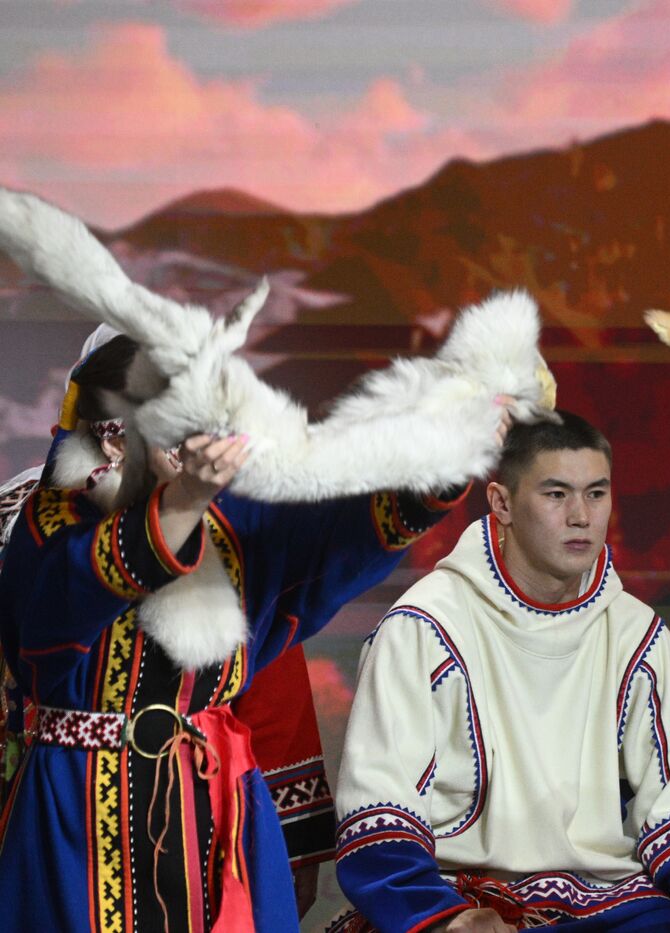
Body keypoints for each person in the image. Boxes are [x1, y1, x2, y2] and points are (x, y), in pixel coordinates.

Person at [0, 332, 488, 931]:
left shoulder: (234, 521)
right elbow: (61, 607)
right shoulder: (48, 517)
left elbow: (332, 531)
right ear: (114, 434)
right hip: (75, 808)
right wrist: (182, 503)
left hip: (212, 801)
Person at [334, 412, 670, 933]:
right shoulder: (423, 628)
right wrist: (445, 920)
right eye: (556, 494)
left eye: (596, 493)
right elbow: (380, 815)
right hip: (456, 895)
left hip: (610, 903)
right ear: (502, 503)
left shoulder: (638, 638)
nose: (581, 515)